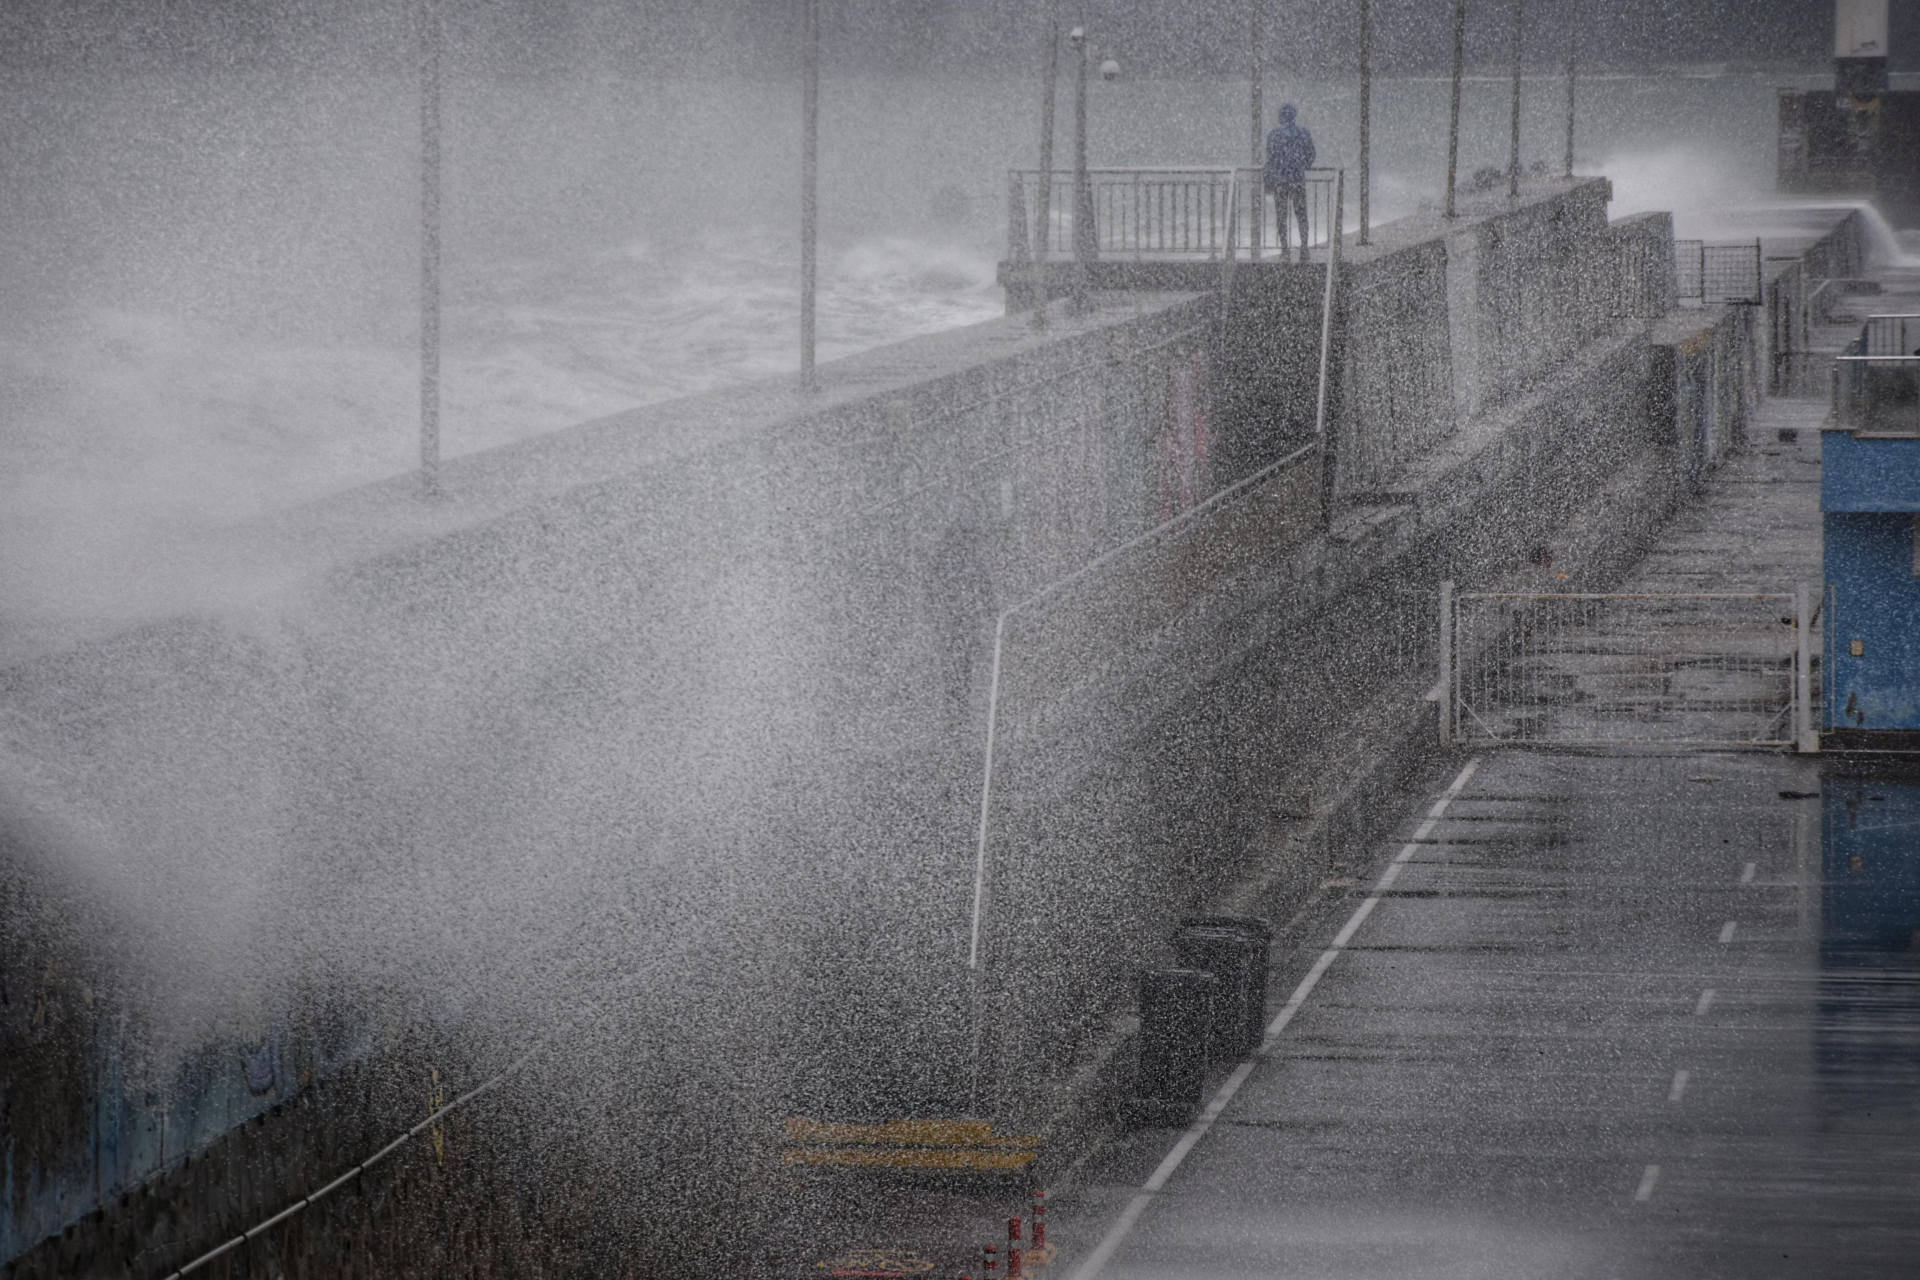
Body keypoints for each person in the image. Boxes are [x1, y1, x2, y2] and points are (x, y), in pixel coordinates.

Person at [1263, 104, 1315, 263]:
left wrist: (1270, 180)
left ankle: (1285, 249)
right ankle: (1304, 247)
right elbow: (1311, 155)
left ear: (1280, 117)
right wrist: (1301, 166)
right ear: (1294, 116)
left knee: (1281, 215)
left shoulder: (1273, 134)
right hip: (1297, 179)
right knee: (1301, 214)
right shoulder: (1303, 133)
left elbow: (1270, 159)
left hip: (1280, 181)